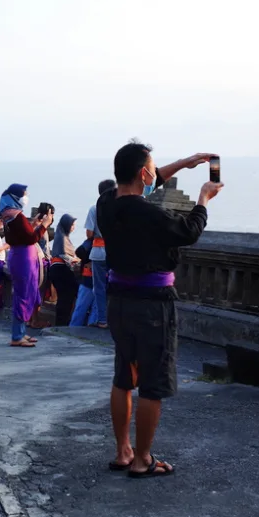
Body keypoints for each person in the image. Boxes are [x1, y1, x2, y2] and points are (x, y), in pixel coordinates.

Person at [98, 144, 220, 478]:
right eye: (152, 168)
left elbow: (145, 185)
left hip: (119, 301)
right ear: (143, 173)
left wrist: (182, 163)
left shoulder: (106, 202)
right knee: (153, 382)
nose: (155, 173)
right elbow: (189, 231)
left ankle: (123, 451)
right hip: (153, 305)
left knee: (124, 376)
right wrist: (203, 199)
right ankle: (143, 459)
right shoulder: (151, 215)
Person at [1, 184, 52, 347]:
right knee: (22, 296)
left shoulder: (9, 214)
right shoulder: (16, 216)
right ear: (15, 197)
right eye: (24, 194)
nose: (26, 197)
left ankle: (21, 332)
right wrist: (44, 225)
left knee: (25, 294)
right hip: (23, 259)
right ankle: (17, 336)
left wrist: (34, 224)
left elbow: (23, 234)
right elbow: (31, 238)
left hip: (20, 257)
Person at [85, 180, 116, 328]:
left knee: (99, 287)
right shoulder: (120, 208)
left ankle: (102, 320)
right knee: (118, 285)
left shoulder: (94, 209)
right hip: (117, 252)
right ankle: (117, 318)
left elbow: (89, 234)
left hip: (98, 252)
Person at [49, 214, 79, 326]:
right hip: (61, 270)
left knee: (64, 298)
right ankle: (62, 324)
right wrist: (76, 261)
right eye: (72, 225)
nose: (73, 227)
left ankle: (61, 323)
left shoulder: (62, 236)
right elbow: (64, 255)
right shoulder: (62, 238)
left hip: (57, 269)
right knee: (65, 297)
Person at [69, 239, 99, 327]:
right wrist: (90, 261)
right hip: (89, 281)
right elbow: (79, 251)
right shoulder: (92, 240)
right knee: (82, 309)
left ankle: (89, 332)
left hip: (99, 282)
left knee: (95, 311)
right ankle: (73, 331)